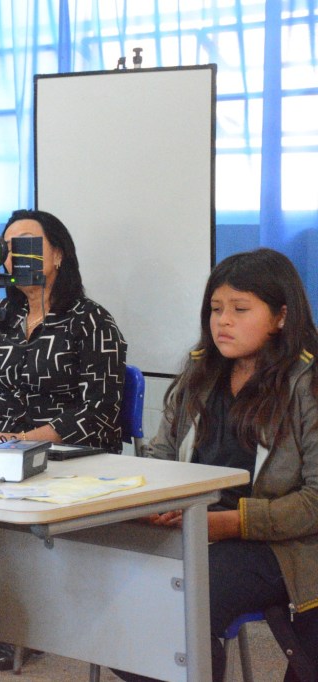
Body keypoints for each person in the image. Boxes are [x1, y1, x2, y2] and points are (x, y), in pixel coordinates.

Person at [113, 248, 318, 682]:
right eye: (215, 308)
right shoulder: (201, 372)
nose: (223, 321)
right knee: (113, 592)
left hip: (279, 545)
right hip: (194, 528)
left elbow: (314, 503)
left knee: (182, 601)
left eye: (240, 309)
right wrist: (152, 501)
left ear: (281, 317)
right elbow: (163, 457)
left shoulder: (308, 383)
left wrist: (228, 523)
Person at [0, 209, 127, 672]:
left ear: (57, 255)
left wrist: (24, 439)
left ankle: (18, 624)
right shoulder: (3, 318)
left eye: (28, 245)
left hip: (69, 458)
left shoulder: (91, 321)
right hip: (2, 454)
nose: (15, 256)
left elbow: (97, 410)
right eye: (8, 247)